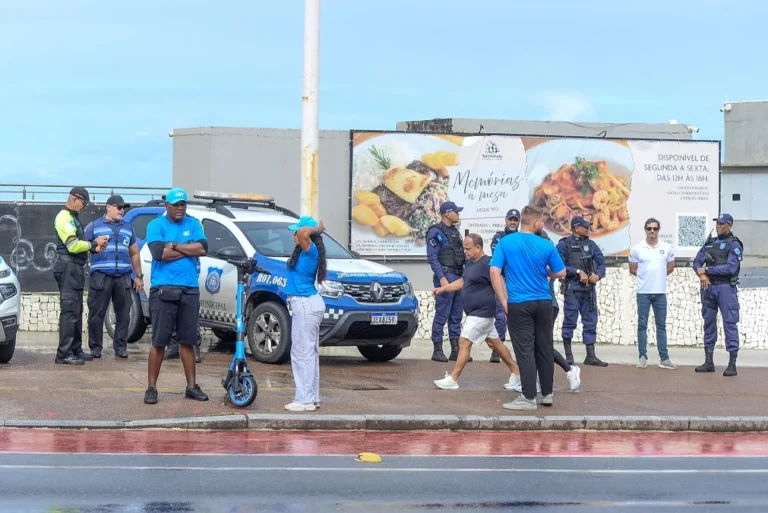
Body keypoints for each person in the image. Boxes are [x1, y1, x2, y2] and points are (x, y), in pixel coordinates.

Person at [490, 205, 566, 411]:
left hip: (518, 302)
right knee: (545, 347)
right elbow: (561, 272)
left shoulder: (505, 242)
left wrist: (503, 299)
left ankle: (529, 397)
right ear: (534, 222)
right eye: (541, 221)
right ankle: (548, 394)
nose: (543, 224)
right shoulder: (546, 245)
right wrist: (545, 271)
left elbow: (494, 271)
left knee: (525, 351)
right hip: (543, 302)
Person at [143, 188, 209, 404]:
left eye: (183, 204)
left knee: (188, 341)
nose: (180, 208)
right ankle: (151, 387)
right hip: (164, 289)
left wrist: (174, 246)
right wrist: (188, 248)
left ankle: (191, 386)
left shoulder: (194, 223)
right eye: (176, 204)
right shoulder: (156, 225)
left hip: (189, 289)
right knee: (159, 341)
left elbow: (203, 248)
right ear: (167, 206)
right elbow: (158, 253)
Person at [432, 233, 522, 390]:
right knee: (496, 344)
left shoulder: (488, 263)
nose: (465, 251)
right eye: (464, 248)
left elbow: (499, 281)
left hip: (482, 312)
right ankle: (517, 373)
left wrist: (506, 303)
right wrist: (443, 289)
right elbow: (463, 281)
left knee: (464, 341)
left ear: (479, 247)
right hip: (476, 312)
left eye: (468, 248)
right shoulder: (471, 264)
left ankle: (453, 379)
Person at [53, 187, 108, 365]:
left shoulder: (73, 218)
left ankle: (75, 349)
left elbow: (78, 246)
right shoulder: (64, 217)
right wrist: (94, 244)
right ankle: (64, 354)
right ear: (74, 199)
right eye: (83, 203)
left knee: (76, 310)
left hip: (74, 267)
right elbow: (73, 245)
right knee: (69, 311)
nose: (84, 207)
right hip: (68, 266)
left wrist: (94, 248)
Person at [84, 195, 144, 359]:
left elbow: (134, 253)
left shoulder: (128, 228)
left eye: (123, 208)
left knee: (124, 314)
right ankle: (95, 348)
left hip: (123, 277)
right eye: (119, 207)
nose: (122, 210)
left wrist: (138, 276)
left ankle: (120, 347)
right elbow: (83, 247)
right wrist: (93, 244)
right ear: (108, 207)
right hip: (101, 277)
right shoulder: (94, 226)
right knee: (97, 314)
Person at [284, 215, 328, 412]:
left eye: (298, 231)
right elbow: (303, 233)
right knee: (309, 353)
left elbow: (304, 233)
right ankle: (312, 398)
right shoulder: (305, 251)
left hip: (305, 304)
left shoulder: (311, 250)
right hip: (307, 304)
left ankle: (304, 399)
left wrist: (317, 228)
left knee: (302, 353)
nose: (295, 234)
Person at [692, 213, 743, 377]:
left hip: (726, 288)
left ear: (730, 225)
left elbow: (730, 268)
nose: (718, 226)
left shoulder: (733, 244)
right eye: (717, 223)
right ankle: (708, 362)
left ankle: (732, 364)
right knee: (708, 323)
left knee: (730, 323)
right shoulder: (710, 243)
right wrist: (702, 275)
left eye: (722, 223)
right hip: (708, 288)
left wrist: (707, 270)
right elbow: (696, 262)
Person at [556, 217, 608, 367]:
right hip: (573, 288)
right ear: (576, 227)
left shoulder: (591, 244)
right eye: (585, 227)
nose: (588, 229)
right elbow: (559, 266)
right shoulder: (564, 244)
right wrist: (578, 272)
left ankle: (590, 356)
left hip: (589, 290)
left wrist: (597, 274)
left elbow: (601, 262)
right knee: (569, 321)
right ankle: (568, 356)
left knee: (591, 322)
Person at [628, 217, 677, 370]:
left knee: (661, 326)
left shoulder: (667, 247)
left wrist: (657, 277)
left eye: (655, 229)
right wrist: (645, 277)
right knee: (642, 325)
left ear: (658, 230)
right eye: (649, 228)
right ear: (645, 230)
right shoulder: (637, 248)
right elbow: (632, 269)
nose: (652, 231)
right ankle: (642, 356)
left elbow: (670, 268)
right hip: (643, 292)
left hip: (660, 293)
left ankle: (664, 358)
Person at [539, 230, 581, 392]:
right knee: (537, 344)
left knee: (543, 345)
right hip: (541, 305)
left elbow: (551, 275)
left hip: (548, 305)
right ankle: (532, 380)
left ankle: (570, 370)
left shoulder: (547, 255)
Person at [426, 201, 467, 363]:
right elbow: (432, 257)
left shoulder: (455, 232)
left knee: (456, 314)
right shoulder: (436, 232)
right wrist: (442, 278)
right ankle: (437, 349)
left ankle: (455, 350)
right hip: (446, 275)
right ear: (446, 214)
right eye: (455, 212)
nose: (458, 214)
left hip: (458, 275)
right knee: (442, 313)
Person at [488, 208, 520, 363]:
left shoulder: (522, 238)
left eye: (515, 220)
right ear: (506, 220)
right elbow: (497, 259)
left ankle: (520, 350)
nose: (513, 222)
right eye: (510, 219)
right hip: (502, 280)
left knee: (519, 317)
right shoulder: (498, 237)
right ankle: (497, 351)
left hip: (518, 282)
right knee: (500, 316)